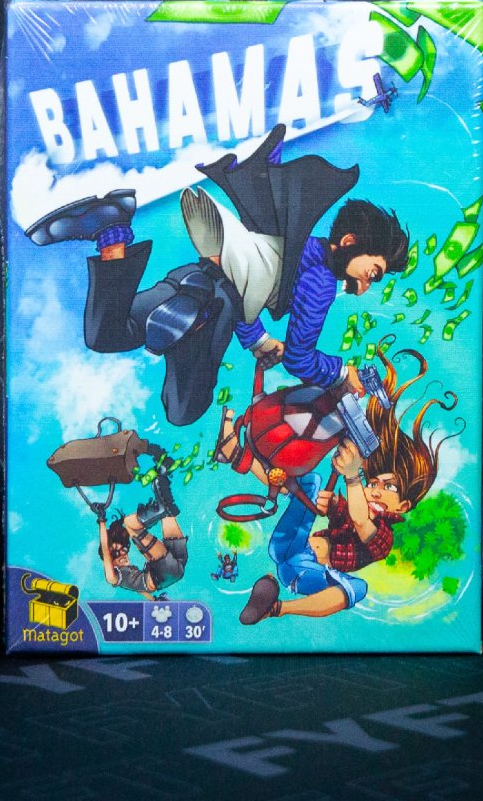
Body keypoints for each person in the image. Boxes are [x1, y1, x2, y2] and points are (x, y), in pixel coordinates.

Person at [25, 124, 408, 426]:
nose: (365, 285)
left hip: (196, 275)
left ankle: (112, 233)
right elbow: (299, 360)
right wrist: (341, 373)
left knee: (106, 334)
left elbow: (254, 277)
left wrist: (258, 340)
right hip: (216, 306)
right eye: (372, 272)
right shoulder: (321, 281)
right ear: (349, 241)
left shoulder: (298, 241)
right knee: (183, 412)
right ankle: (187, 329)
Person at [226, 352, 457, 622]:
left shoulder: (383, 538)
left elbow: (360, 520)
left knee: (358, 588)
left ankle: (276, 607)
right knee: (311, 481)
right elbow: (340, 511)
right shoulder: (353, 504)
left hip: (305, 570)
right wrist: (330, 504)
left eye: (390, 488)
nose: (376, 490)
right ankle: (237, 455)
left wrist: (352, 477)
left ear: (403, 506)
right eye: (373, 483)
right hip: (288, 544)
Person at [94, 472, 187, 600]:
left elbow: (139, 590)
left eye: (123, 550)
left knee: (167, 513)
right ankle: (159, 509)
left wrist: (154, 600)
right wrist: (101, 521)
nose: (122, 554)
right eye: (115, 554)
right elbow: (105, 549)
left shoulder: (128, 577)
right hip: (164, 573)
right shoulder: (112, 578)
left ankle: (163, 477)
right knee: (129, 523)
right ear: (110, 561)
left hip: (177, 565)